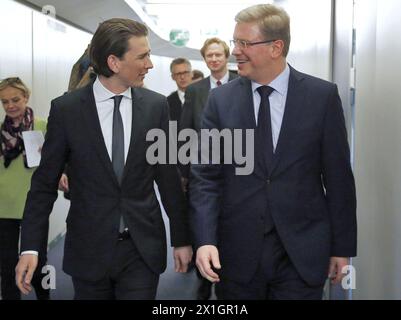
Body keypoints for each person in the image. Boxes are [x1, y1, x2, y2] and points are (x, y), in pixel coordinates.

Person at [15, 18, 192, 300]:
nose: (150, 64)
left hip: (141, 249)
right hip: (88, 250)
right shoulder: (67, 110)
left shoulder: (156, 106)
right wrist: (31, 247)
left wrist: (182, 238)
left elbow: (167, 176)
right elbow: (43, 185)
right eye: (143, 56)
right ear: (114, 62)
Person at [190, 4, 357, 300]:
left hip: (301, 254)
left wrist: (342, 249)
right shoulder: (220, 101)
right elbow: (206, 177)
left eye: (245, 43)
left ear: (276, 47)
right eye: (235, 42)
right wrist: (204, 239)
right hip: (238, 254)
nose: (236, 51)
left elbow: (339, 178)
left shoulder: (322, 97)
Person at [179, 38, 238, 300]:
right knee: (204, 220)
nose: (214, 59)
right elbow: (185, 133)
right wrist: (186, 171)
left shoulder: (243, 82)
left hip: (239, 168)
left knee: (234, 225)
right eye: (209, 56)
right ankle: (205, 278)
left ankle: (230, 276)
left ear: (226, 56)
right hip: (204, 169)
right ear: (204, 59)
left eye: (218, 54)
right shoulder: (195, 91)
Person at [0, 77, 50, 300]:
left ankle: (44, 297)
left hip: (34, 206)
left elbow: (56, 162)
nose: (10, 105)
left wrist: (63, 175)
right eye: (4, 102)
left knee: (39, 262)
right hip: (3, 205)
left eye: (15, 99)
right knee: (7, 263)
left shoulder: (42, 126)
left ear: (26, 97)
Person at [167, 58, 192, 126]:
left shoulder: (204, 98)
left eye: (185, 72)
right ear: (173, 77)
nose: (182, 77)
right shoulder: (167, 103)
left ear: (192, 74)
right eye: (178, 74)